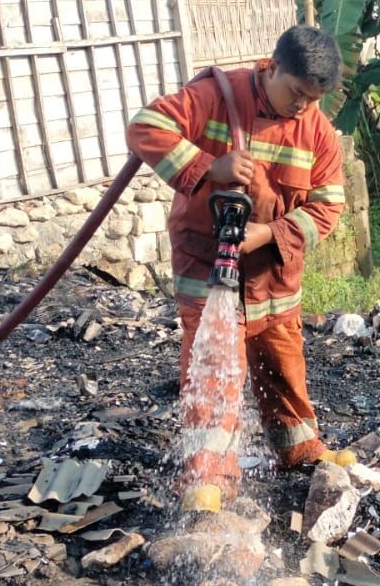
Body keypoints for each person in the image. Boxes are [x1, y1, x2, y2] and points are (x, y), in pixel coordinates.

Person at [126, 25, 346, 470]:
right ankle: (208, 477)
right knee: (214, 368)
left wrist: (269, 234)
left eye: (313, 98)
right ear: (273, 65)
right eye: (296, 92)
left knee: (282, 364)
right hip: (209, 264)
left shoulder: (317, 132)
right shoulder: (215, 96)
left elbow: (328, 205)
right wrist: (211, 166)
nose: (302, 105)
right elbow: (144, 127)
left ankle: (298, 448)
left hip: (273, 275)